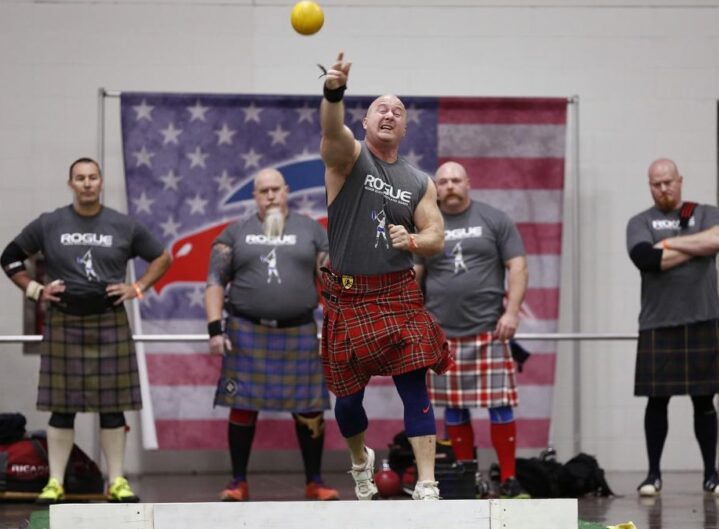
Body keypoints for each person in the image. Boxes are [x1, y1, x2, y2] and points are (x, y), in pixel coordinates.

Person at [318, 52, 454, 501]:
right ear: (365, 121)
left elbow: (436, 234)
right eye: (381, 108)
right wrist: (333, 91)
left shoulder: (418, 180)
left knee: (414, 387)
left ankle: (428, 482)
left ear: (405, 127)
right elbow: (331, 130)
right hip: (348, 297)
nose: (390, 114)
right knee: (348, 401)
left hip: (397, 295)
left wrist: (414, 241)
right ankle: (361, 461)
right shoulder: (347, 159)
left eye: (398, 111)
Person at [1, 157, 172, 504]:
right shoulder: (50, 223)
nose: (87, 183)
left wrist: (136, 287)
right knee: (62, 407)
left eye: (93, 177)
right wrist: (35, 290)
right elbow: (10, 257)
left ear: (100, 182)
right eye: (80, 178)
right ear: (71, 184)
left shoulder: (123, 225)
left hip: (109, 321)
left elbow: (163, 258)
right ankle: (55, 483)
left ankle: (118, 482)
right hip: (64, 320)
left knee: (113, 407)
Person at [205, 167, 339, 502]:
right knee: (242, 406)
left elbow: (331, 281)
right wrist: (214, 329)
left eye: (275, 189)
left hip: (299, 331)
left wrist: (339, 323)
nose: (270, 196)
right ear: (254, 196)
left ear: (286, 191)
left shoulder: (311, 230)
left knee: (310, 408)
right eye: (263, 191)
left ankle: (315, 481)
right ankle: (238, 482)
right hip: (246, 330)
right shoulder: (235, 233)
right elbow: (214, 283)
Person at [414, 161, 529, 498]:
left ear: (468, 183)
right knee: (454, 407)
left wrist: (511, 313)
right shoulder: (427, 222)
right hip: (442, 334)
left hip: (489, 331)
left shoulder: (494, 219)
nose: (450, 186)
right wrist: (415, 320)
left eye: (456, 180)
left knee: (500, 405)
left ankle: (508, 478)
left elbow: (518, 266)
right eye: (444, 181)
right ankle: (468, 480)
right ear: (436, 186)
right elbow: (415, 275)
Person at [626, 158, 719, 497]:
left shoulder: (705, 213)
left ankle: (711, 476)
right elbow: (646, 259)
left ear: (680, 180)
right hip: (658, 322)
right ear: (649, 185)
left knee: (704, 401)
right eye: (657, 183)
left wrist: (669, 244)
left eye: (668, 181)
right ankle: (652, 475)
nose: (664, 188)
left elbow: (717, 241)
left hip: (703, 318)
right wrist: (694, 246)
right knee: (657, 401)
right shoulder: (639, 221)